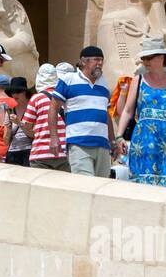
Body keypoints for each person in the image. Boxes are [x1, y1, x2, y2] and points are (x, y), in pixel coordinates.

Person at [114, 37, 166, 188]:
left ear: (161, 57)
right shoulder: (139, 79)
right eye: (143, 58)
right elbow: (128, 110)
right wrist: (119, 136)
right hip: (143, 143)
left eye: (149, 57)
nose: (146, 61)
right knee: (143, 189)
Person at [47, 46, 115, 178]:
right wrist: (54, 137)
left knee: (102, 187)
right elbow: (53, 107)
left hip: (102, 145)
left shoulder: (104, 83)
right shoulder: (68, 79)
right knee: (85, 185)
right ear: (84, 61)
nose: (100, 63)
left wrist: (112, 141)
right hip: (79, 144)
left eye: (101, 60)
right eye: (96, 59)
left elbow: (106, 115)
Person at [23, 63, 70, 171]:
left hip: (40, 154)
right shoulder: (65, 97)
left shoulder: (36, 98)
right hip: (63, 152)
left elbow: (27, 125)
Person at [2, 77, 32, 166]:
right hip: (12, 153)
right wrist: (8, 128)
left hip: (29, 151)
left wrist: (19, 123)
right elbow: (6, 141)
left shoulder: (32, 108)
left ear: (25, 92)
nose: (15, 95)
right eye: (12, 92)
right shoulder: (10, 111)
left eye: (18, 91)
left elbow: (33, 134)